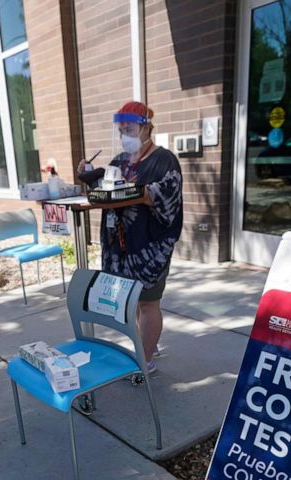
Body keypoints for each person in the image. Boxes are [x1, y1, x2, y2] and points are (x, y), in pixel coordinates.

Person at [78, 101, 183, 374]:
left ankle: (145, 360)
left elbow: (166, 196)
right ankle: (148, 343)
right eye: (121, 130)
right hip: (121, 244)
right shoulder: (119, 161)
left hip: (149, 244)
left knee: (148, 301)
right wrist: (90, 176)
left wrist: (137, 193)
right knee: (134, 298)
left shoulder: (164, 159)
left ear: (146, 127)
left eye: (130, 129)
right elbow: (106, 190)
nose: (125, 135)